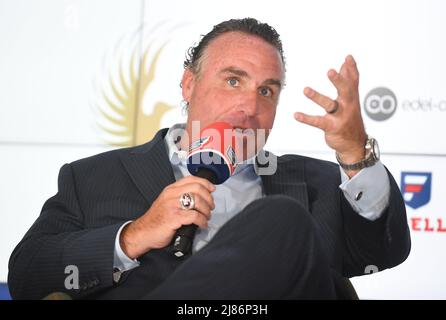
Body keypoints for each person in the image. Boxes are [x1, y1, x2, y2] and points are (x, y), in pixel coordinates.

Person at [8, 18, 410, 300]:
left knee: (282, 217)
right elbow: (27, 277)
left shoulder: (317, 183)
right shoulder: (93, 177)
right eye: (233, 80)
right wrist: (134, 235)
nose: (249, 106)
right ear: (189, 83)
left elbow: (383, 252)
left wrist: (356, 152)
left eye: (267, 91)